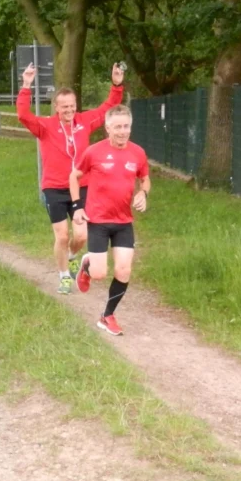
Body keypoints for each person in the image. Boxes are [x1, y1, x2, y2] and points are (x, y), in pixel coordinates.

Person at [17, 61, 125, 294]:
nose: (69, 110)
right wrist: (26, 85)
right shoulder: (45, 126)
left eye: (72, 106)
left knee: (81, 235)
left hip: (82, 186)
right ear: (56, 107)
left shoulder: (84, 122)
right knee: (62, 235)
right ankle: (64, 275)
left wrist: (117, 85)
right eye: (64, 106)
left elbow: (108, 108)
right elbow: (23, 115)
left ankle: (72, 256)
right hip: (54, 189)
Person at [70, 105, 150, 336]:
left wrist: (143, 193)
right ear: (107, 128)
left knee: (124, 270)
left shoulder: (138, 153)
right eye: (118, 127)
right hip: (98, 220)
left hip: (123, 222)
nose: (123, 131)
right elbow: (74, 176)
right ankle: (87, 266)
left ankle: (107, 316)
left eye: (126, 126)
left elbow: (145, 178)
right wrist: (77, 206)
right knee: (99, 274)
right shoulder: (94, 152)